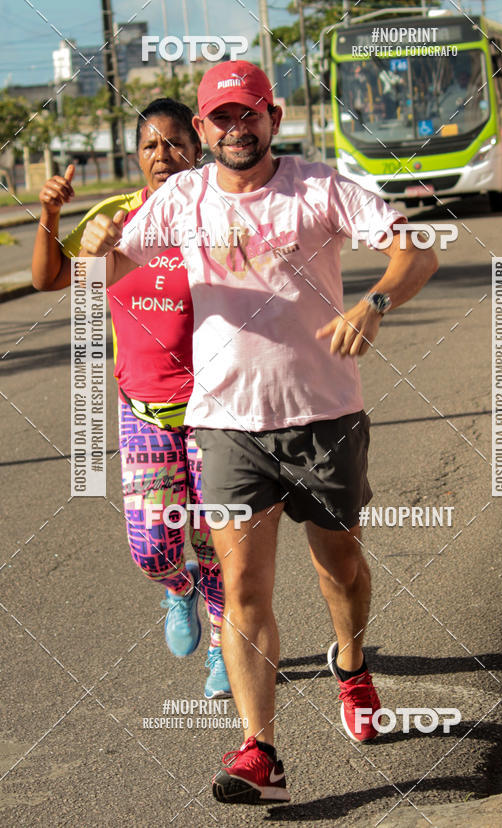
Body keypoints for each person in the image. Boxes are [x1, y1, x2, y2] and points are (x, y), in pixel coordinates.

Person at [79, 61, 438, 804]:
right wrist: (96, 245)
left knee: (339, 568)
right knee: (241, 584)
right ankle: (260, 752)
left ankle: (351, 660)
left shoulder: (319, 187)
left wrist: (374, 302)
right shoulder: (182, 197)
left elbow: (419, 246)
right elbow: (117, 266)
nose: (236, 130)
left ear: (271, 117)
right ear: (203, 130)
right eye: (221, 119)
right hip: (226, 425)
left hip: (323, 416)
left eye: (250, 115)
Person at [31, 98, 231, 699]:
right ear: (136, 157)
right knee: (153, 548)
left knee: (218, 541)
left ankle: (226, 648)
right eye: (150, 146)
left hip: (218, 412)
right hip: (144, 409)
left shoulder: (221, 215)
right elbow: (50, 278)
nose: (163, 156)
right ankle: (178, 590)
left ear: (197, 149)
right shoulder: (118, 218)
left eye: (175, 143)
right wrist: (49, 215)